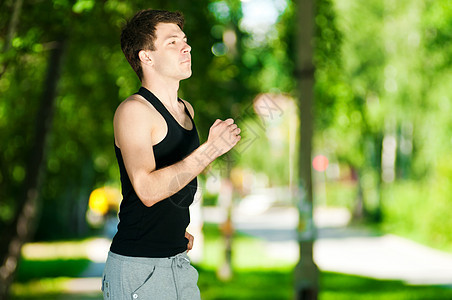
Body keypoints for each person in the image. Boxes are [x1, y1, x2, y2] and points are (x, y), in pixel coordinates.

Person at [101, 9, 241, 300]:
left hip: (177, 260)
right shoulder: (134, 111)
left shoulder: (186, 109)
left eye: (185, 40)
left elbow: (177, 180)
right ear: (146, 57)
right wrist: (212, 149)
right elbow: (147, 190)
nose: (186, 47)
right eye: (172, 42)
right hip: (140, 268)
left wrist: (172, 227)